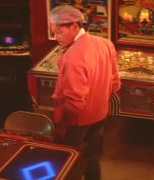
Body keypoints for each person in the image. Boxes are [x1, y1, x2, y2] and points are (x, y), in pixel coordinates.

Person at [49, 5, 121, 180]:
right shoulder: (105, 43)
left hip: (77, 122)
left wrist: (61, 124)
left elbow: (74, 103)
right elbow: (115, 82)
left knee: (69, 163)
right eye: (53, 32)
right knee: (93, 157)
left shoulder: (73, 57)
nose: (56, 37)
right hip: (100, 115)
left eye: (59, 32)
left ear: (75, 26)